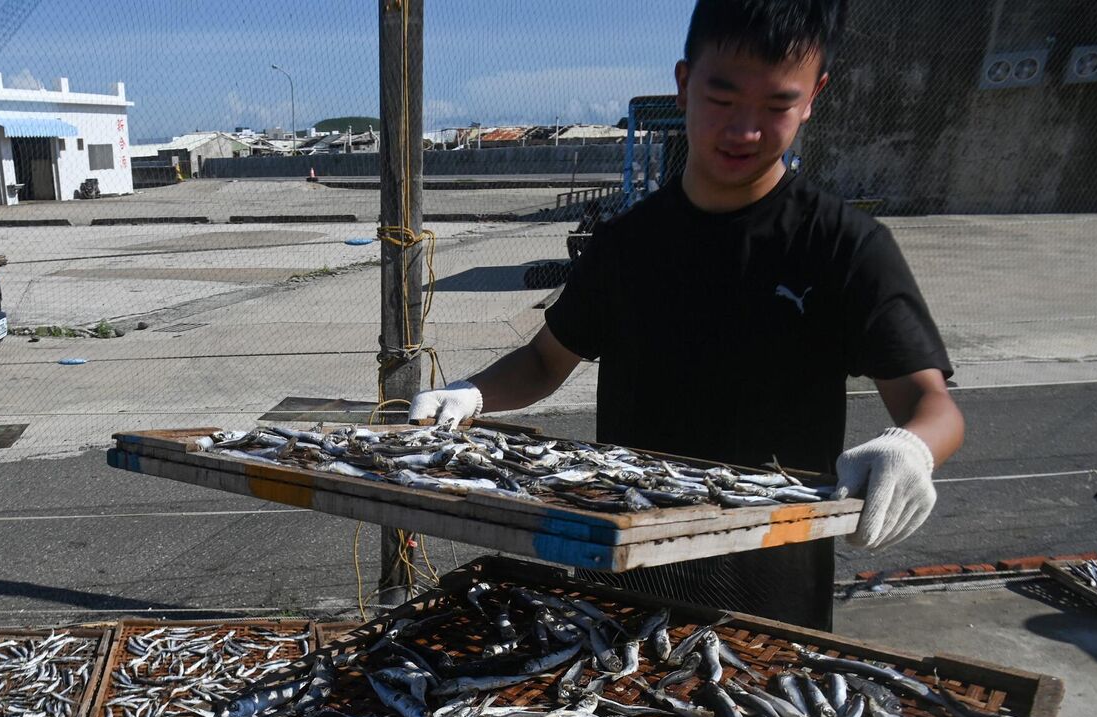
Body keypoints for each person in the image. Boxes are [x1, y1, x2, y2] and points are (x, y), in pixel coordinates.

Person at [408, 0, 962, 630]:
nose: (744, 130)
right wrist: (472, 393)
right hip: (620, 584)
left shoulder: (845, 246)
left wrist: (910, 448)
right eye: (722, 97)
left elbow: (931, 403)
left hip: (767, 592)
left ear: (813, 98)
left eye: (777, 105)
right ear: (683, 83)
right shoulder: (625, 244)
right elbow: (544, 359)